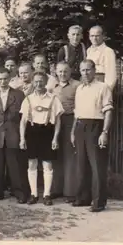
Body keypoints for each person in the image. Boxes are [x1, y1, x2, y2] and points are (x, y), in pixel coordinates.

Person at [71, 59, 113, 212]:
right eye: (83, 70)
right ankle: (83, 198)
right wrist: (73, 132)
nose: (85, 73)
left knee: (97, 165)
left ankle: (98, 202)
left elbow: (108, 111)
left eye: (88, 70)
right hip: (80, 126)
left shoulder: (103, 87)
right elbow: (77, 113)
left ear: (94, 70)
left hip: (96, 126)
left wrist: (104, 132)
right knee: (82, 164)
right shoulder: (80, 88)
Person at [19, 72, 64, 206]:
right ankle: (34, 194)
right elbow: (23, 121)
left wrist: (55, 138)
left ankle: (46, 195)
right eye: (36, 81)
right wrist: (22, 138)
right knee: (32, 164)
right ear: (33, 82)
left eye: (41, 81)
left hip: (47, 132)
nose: (38, 84)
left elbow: (58, 121)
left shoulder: (53, 99)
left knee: (47, 164)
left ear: (45, 82)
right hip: (32, 132)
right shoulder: (28, 99)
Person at [0, 67, 28, 203]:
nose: (3, 81)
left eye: (5, 78)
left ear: (10, 78)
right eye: (0, 79)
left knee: (15, 166)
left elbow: (23, 115)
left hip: (13, 133)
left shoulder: (19, 94)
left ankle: (20, 193)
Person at [51, 61, 81, 202]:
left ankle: (70, 192)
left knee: (69, 156)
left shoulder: (77, 85)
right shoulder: (52, 86)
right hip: (55, 121)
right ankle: (56, 189)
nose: (63, 74)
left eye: (66, 71)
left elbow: (78, 108)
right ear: (56, 72)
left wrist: (74, 130)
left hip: (70, 120)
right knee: (56, 155)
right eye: (60, 71)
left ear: (70, 72)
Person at [86, 25, 117, 91]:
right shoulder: (89, 50)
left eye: (97, 36)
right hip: (89, 85)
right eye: (92, 36)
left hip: (101, 85)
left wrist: (106, 91)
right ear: (89, 37)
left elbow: (111, 75)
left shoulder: (108, 51)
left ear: (103, 36)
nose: (94, 38)